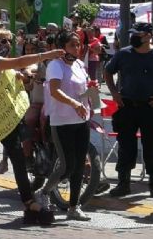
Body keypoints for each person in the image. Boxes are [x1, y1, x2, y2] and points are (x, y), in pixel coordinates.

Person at [0, 28, 63, 224]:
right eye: (1, 41)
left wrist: (23, 76)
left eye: (8, 41)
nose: (5, 45)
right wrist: (48, 54)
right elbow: (18, 62)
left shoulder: (4, 66)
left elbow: (18, 70)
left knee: (17, 158)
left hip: (7, 119)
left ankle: (28, 202)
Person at [104, 22, 153, 198]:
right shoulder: (124, 54)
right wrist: (114, 93)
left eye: (138, 34)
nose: (133, 37)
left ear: (148, 36)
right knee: (126, 146)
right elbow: (108, 71)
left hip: (149, 107)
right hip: (126, 106)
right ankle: (123, 184)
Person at [36, 31, 96, 221]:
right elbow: (55, 91)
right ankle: (44, 192)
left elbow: (82, 91)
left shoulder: (79, 64)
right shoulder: (55, 65)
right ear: (62, 47)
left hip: (81, 120)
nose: (77, 48)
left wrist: (90, 95)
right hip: (62, 121)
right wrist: (75, 104)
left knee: (79, 166)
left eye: (78, 44)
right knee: (67, 166)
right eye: (72, 45)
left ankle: (73, 206)